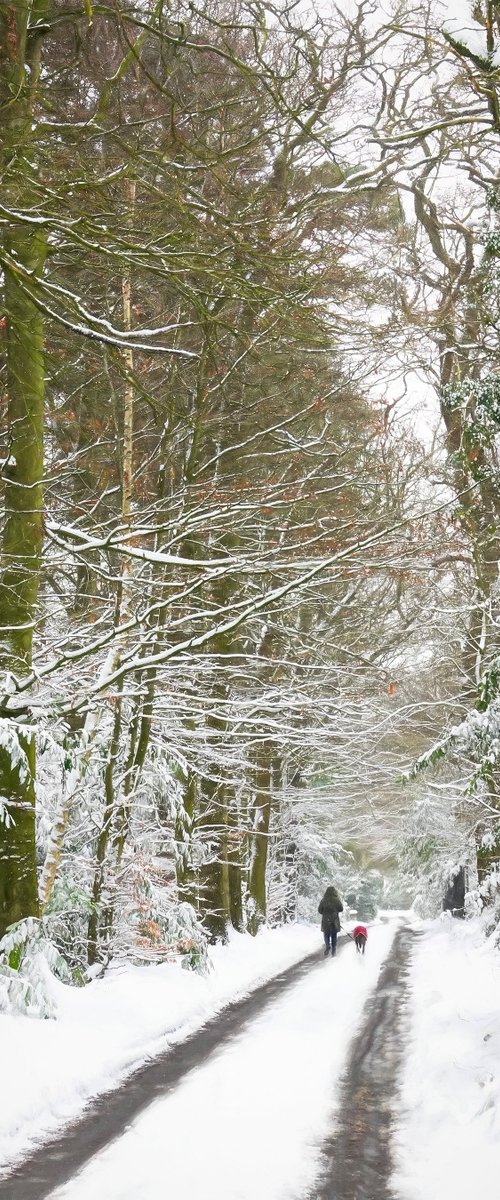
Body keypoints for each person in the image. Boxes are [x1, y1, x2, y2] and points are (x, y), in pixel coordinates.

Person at [318, 885, 343, 956]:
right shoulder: (337, 900)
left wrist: (325, 913)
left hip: (326, 921)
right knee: (334, 935)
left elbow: (319, 910)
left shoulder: (324, 900)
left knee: (326, 935)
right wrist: (335, 910)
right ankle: (334, 950)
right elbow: (341, 909)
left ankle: (327, 946)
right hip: (334, 920)